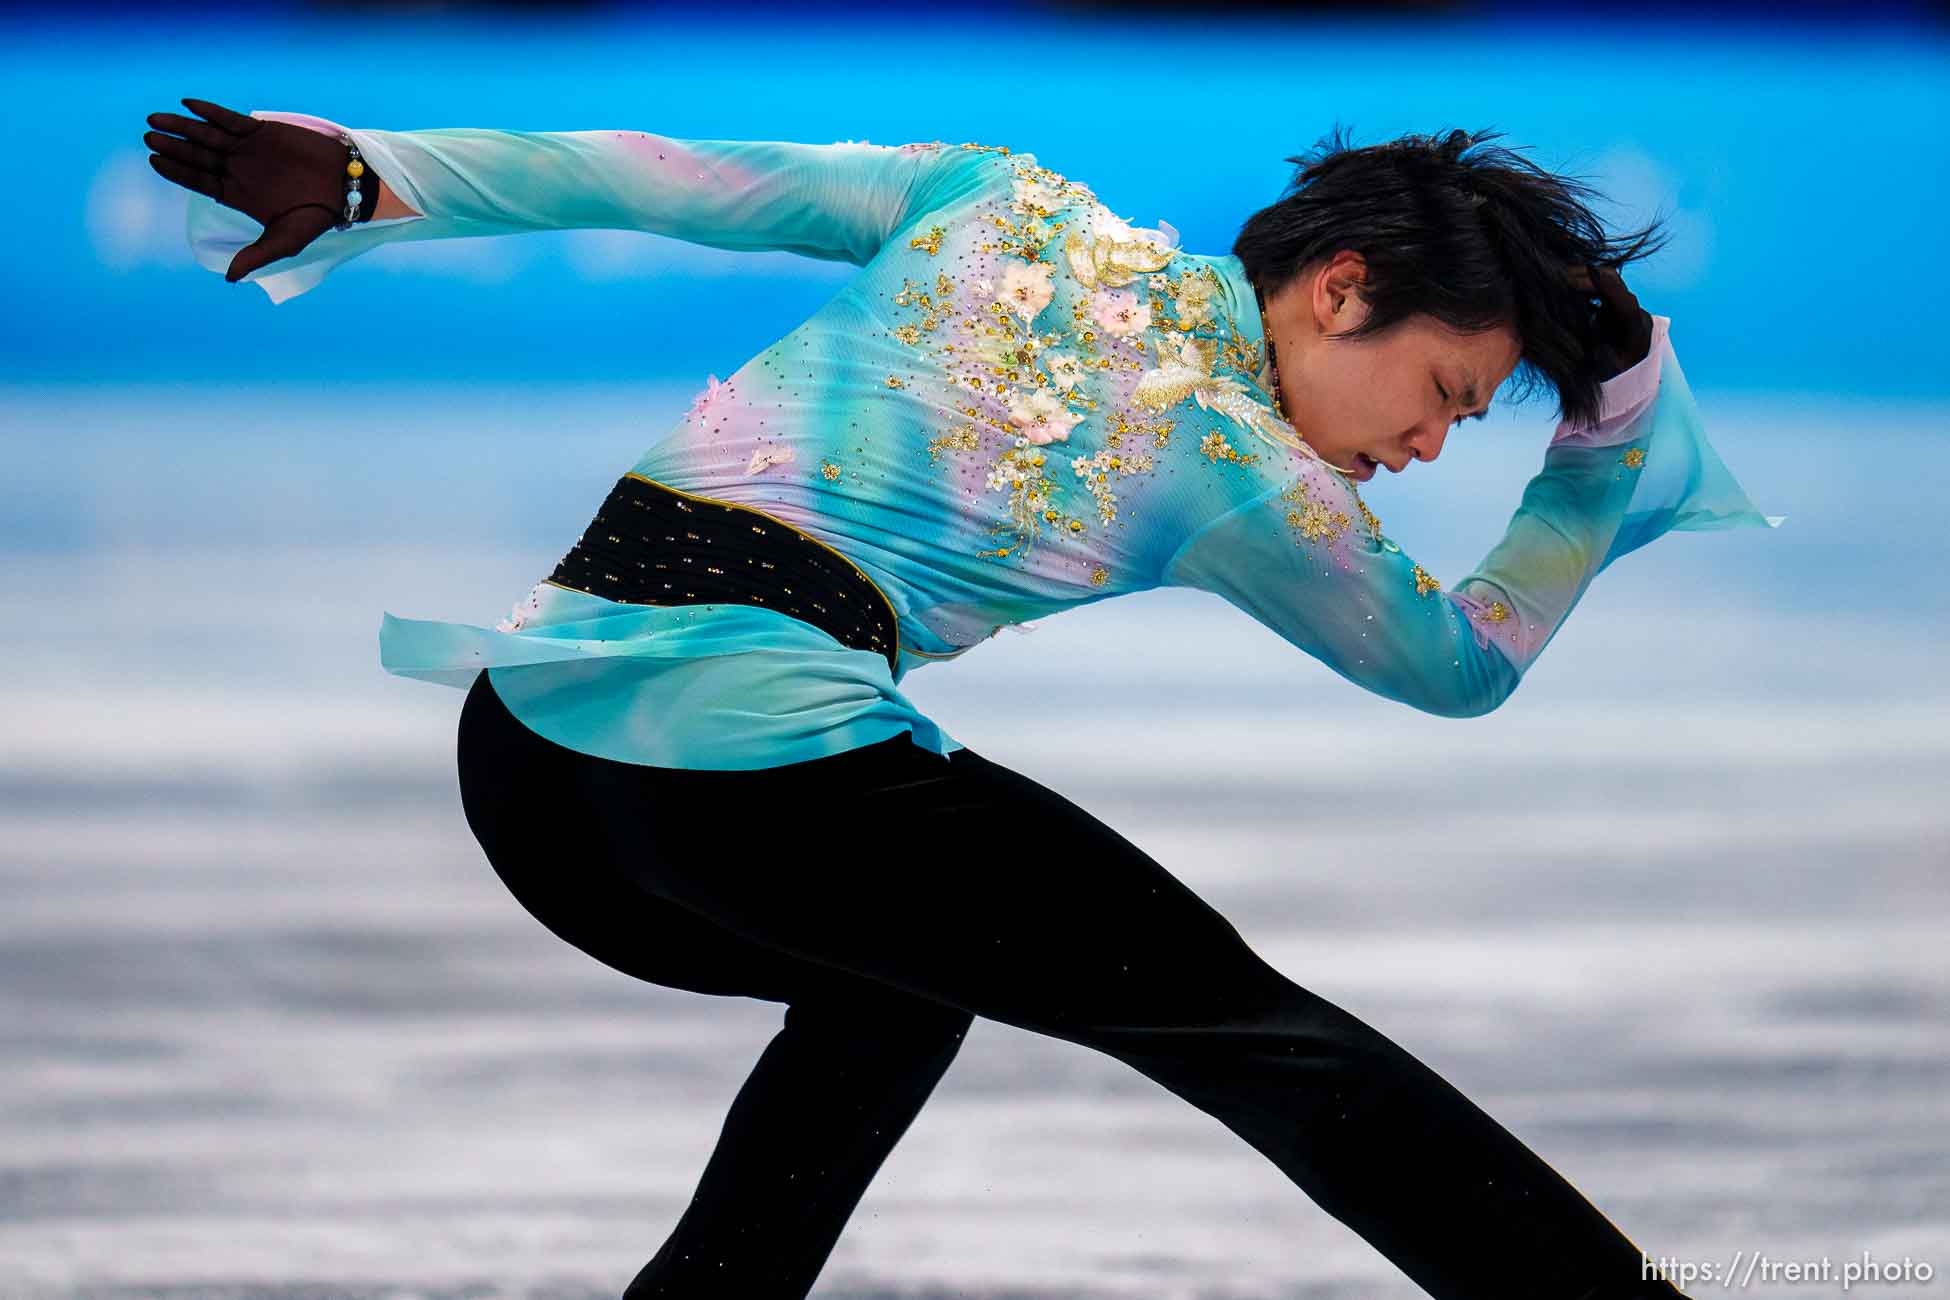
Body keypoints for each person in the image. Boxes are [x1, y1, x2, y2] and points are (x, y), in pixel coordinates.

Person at [144, 96, 1782, 1299]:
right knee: (1255, 1034)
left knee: (898, 976)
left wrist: (380, 174)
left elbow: (663, 182)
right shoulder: (1232, 469)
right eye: (1444, 395)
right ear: (1341, 287)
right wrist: (1597, 459)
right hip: (748, 781)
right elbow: (1461, 662)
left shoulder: (1000, 205)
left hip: (531, 765)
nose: (1428, 448)